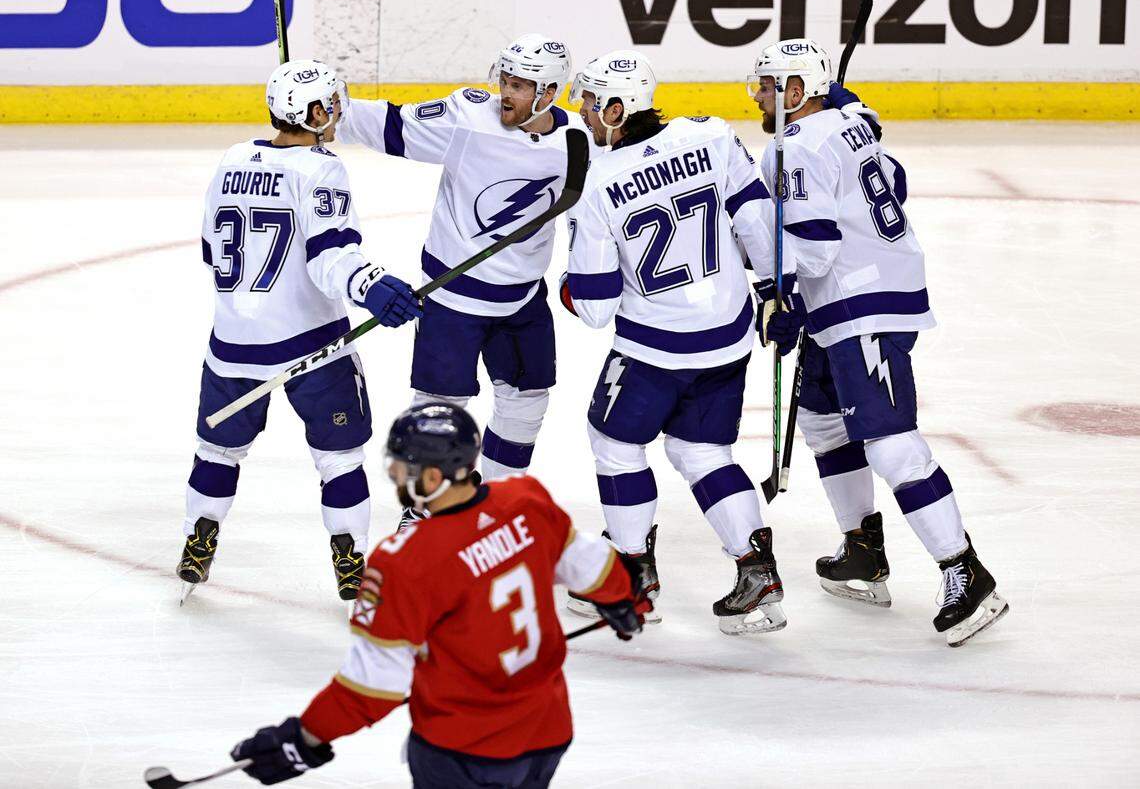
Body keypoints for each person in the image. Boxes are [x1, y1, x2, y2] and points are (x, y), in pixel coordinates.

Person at [228, 403, 649, 788]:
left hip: (460, 750)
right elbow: (595, 566)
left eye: (401, 466)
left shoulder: (405, 560)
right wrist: (621, 598)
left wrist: (302, 737)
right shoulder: (526, 501)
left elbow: (373, 686)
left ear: (431, 477)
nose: (395, 475)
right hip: (547, 733)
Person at [747, 37, 1009, 646]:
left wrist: (776, 292)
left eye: (765, 85)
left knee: (891, 442)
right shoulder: (854, 122)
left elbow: (813, 244)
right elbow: (896, 179)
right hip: (855, 297)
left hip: (859, 303)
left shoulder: (792, 147)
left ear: (794, 92)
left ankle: (964, 572)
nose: (755, 96)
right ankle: (863, 550)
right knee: (820, 419)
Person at [559, 50, 796, 635]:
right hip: (727, 337)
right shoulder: (711, 136)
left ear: (617, 108)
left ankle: (631, 578)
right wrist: (774, 291)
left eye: (590, 102)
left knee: (614, 443)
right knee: (703, 453)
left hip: (652, 351)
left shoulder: (600, 182)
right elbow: (758, 219)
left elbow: (592, 306)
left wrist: (569, 285)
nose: (582, 112)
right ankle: (755, 568)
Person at [179, 60, 421, 602]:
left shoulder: (231, 159)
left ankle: (200, 536)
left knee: (217, 453)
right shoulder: (321, 169)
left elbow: (208, 248)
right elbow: (330, 254)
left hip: (232, 347)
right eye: (331, 103)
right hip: (311, 346)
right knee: (339, 458)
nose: (338, 111)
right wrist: (372, 285)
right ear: (312, 112)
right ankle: (350, 558)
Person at [335, 34, 589, 512]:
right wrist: (330, 109)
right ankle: (421, 511)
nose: (505, 94)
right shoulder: (468, 118)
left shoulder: (578, 140)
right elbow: (393, 125)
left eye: (520, 86)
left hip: (522, 301)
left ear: (550, 92)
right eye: (505, 80)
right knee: (437, 411)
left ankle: (494, 506)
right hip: (452, 298)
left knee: (527, 401)